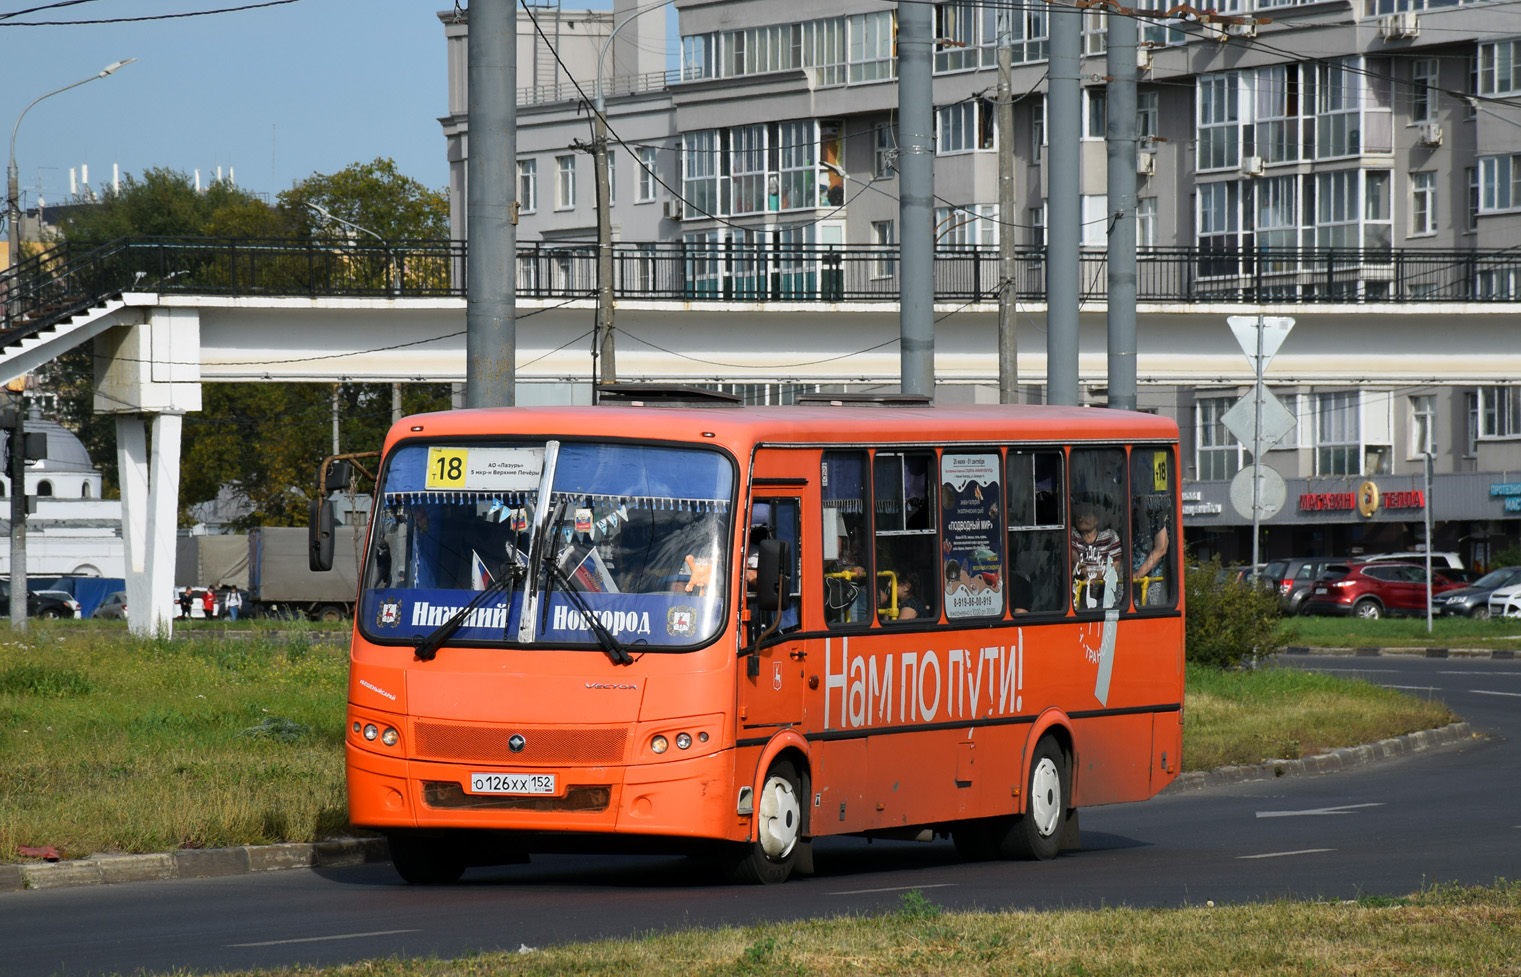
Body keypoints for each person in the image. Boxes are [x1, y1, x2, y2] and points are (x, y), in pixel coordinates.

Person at [1071, 504, 1122, 610]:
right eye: (1078, 515)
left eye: (1085, 515)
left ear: (1097, 519)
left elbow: (1115, 568)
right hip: (1079, 595)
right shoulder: (1072, 534)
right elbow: (1074, 559)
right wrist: (1084, 574)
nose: (1080, 519)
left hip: (1105, 596)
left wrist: (1094, 577)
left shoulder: (1110, 536)